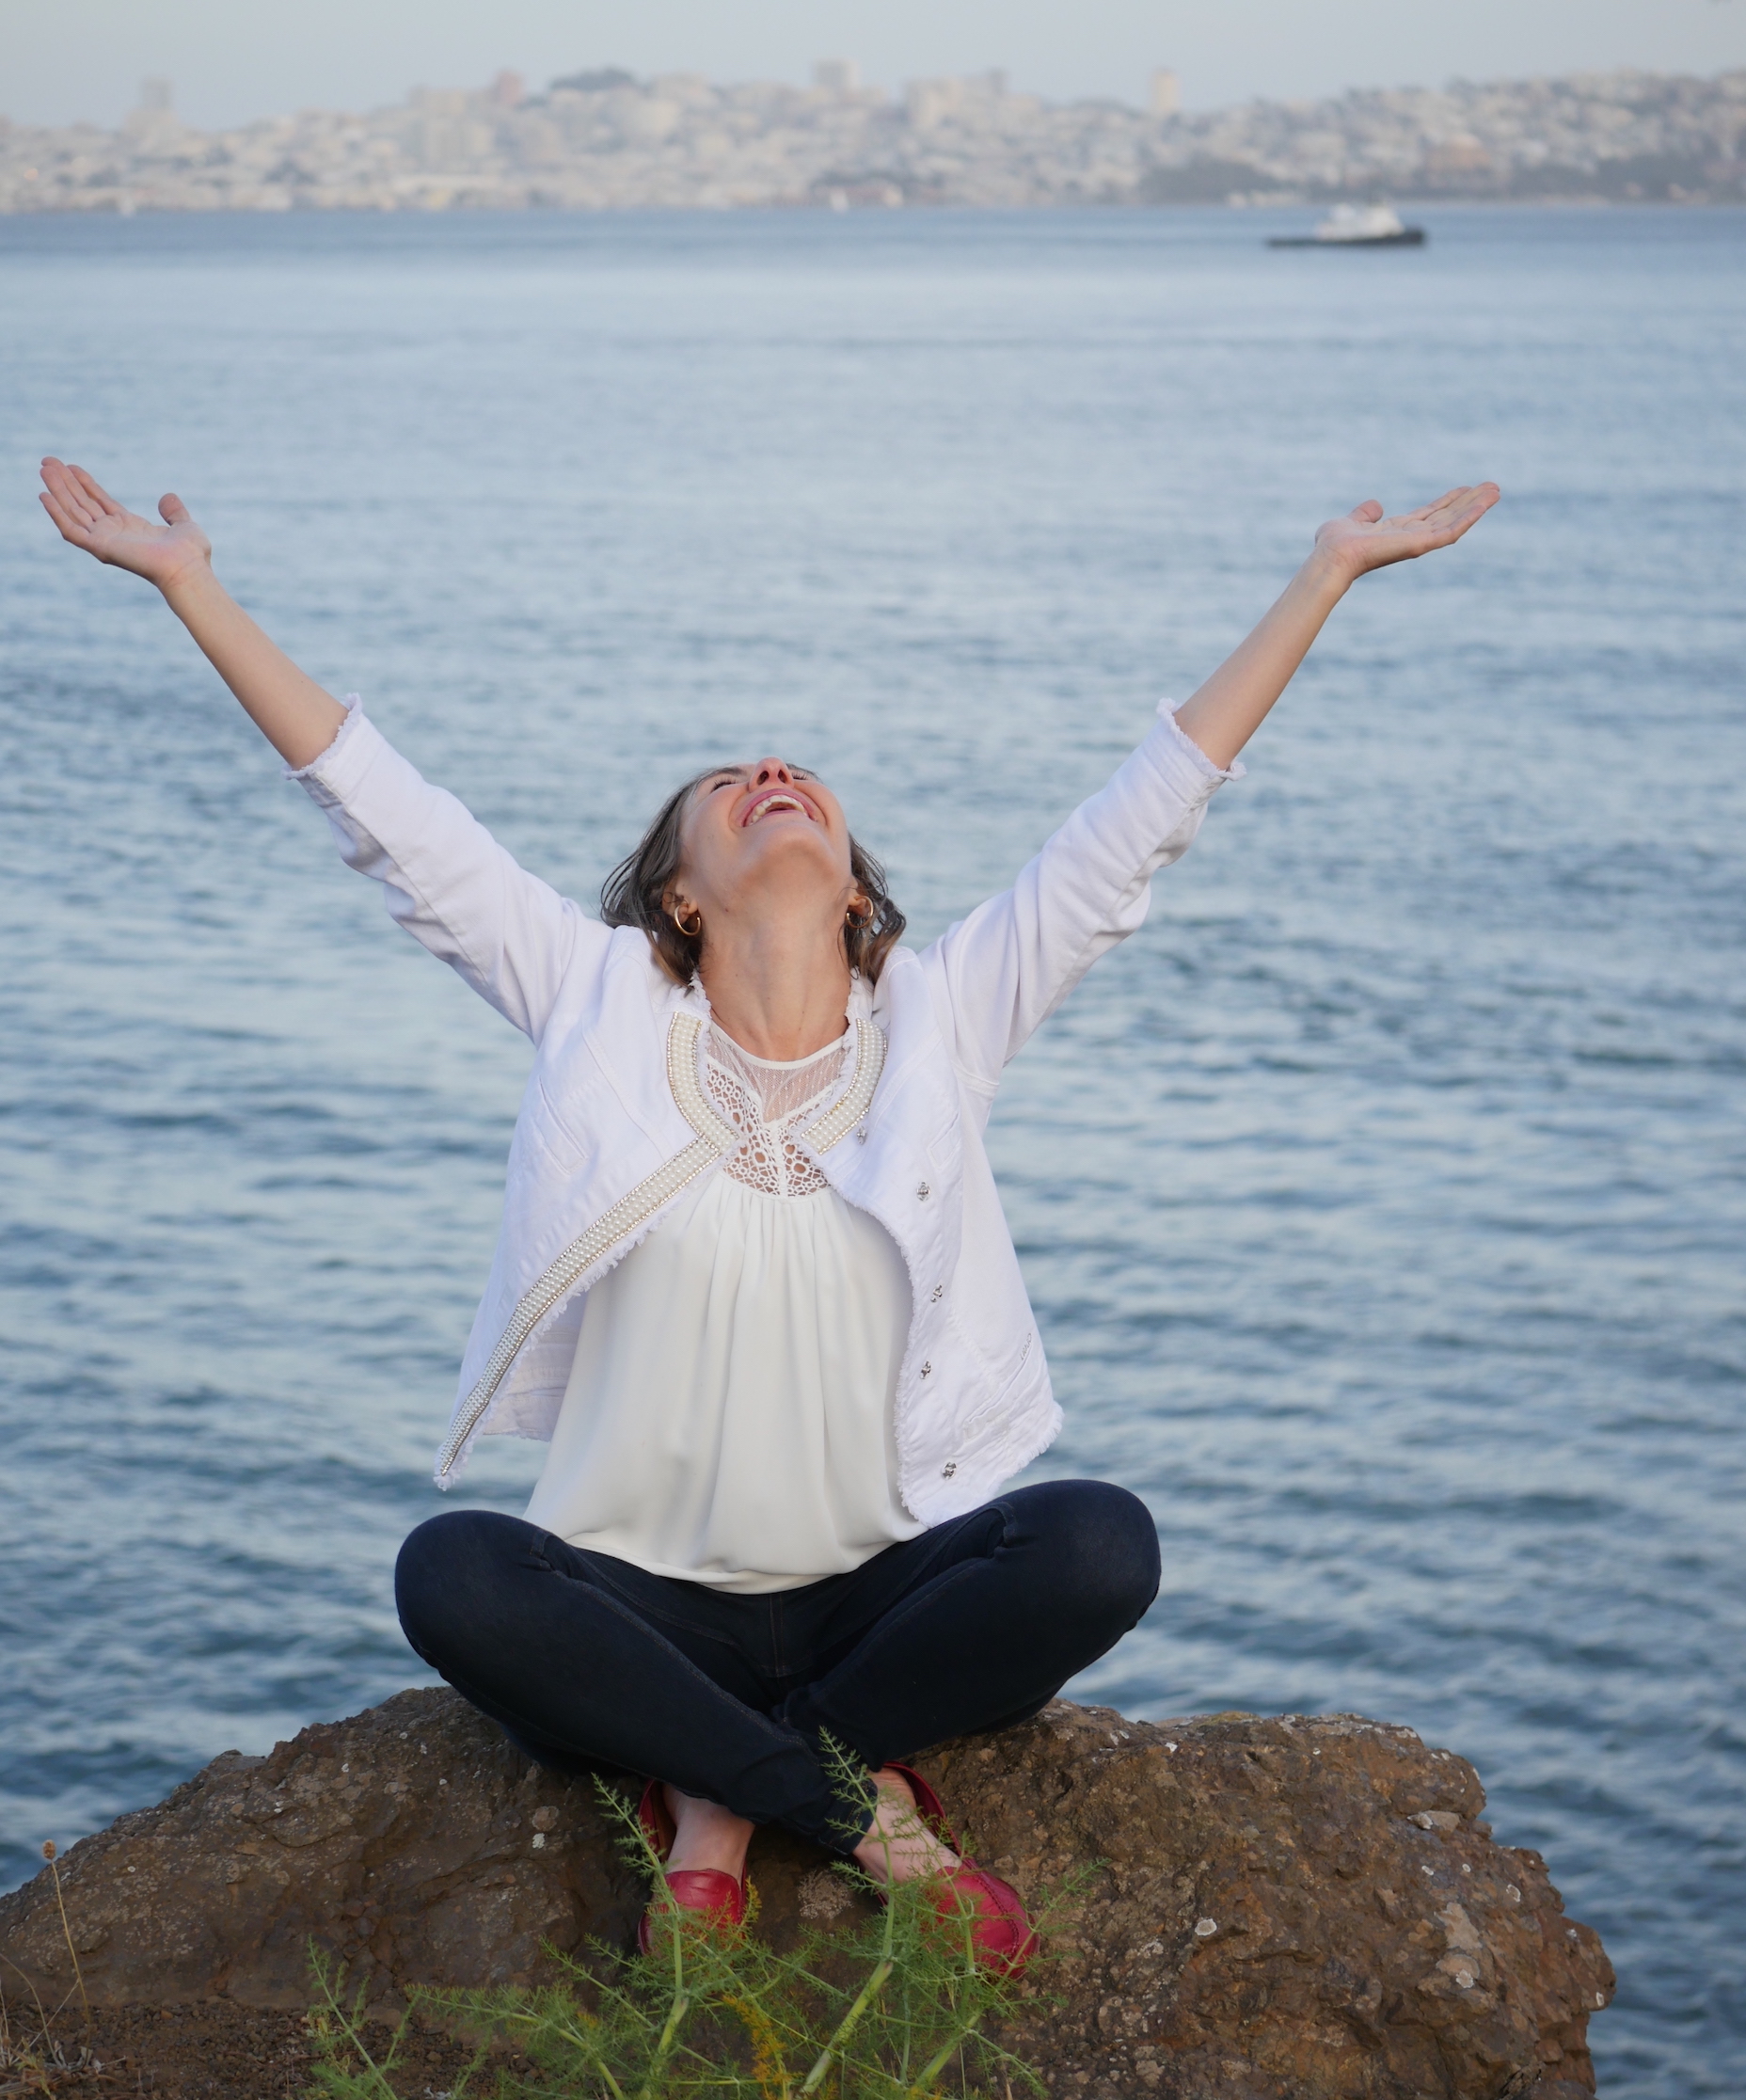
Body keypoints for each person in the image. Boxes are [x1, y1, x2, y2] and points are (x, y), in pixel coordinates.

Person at [38, 453, 1498, 1972]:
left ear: (858, 891)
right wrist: (191, 586)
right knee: (452, 1573)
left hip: (879, 1601)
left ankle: (714, 1802)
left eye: (799, 778)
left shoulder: (945, 1021)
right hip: (639, 1603)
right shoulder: (593, 1004)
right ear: (678, 893)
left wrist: (1324, 572)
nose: (772, 776)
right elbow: (388, 816)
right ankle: (851, 1805)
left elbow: (1146, 816)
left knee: (1098, 1545)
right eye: (727, 787)